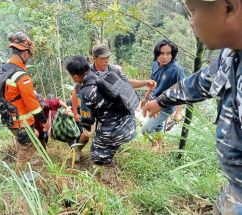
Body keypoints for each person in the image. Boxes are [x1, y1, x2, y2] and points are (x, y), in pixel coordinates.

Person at [142, 0, 242, 213]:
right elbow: (201, 82)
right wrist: (159, 100)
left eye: (194, 11)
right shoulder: (230, 55)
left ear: (230, 7)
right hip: (235, 188)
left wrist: (175, 110)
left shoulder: (176, 69)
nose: (191, 22)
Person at [66, 54, 154, 181]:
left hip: (114, 132)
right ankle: (110, 150)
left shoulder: (86, 92)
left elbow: (88, 122)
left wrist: (75, 116)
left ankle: (103, 173)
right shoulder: (105, 75)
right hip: (129, 126)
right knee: (105, 137)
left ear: (75, 76)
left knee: (96, 154)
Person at [1, 32, 49, 174]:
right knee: (28, 143)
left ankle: (23, 162)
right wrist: (44, 121)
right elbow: (33, 105)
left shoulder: (5, 69)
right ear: (25, 53)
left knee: (21, 140)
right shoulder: (21, 76)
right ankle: (20, 176)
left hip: (8, 116)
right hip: (21, 118)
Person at [141, 39, 186, 151]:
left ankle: (155, 144)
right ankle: (160, 149)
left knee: (145, 129)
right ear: (157, 54)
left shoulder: (176, 70)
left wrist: (178, 112)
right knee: (158, 127)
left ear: (173, 55)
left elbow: (182, 90)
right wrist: (146, 98)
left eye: (168, 53)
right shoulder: (155, 64)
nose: (165, 57)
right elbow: (152, 84)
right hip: (153, 101)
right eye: (161, 53)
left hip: (165, 105)